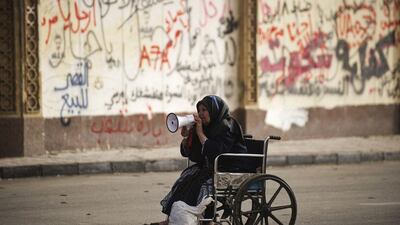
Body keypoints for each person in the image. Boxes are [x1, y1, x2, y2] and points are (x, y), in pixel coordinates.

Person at [154, 95, 248, 224]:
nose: (201, 114)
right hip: (214, 167)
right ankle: (172, 219)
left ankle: (203, 218)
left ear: (214, 110)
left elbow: (216, 151)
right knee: (186, 178)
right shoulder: (207, 127)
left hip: (231, 166)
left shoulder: (228, 126)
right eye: (199, 110)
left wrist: (200, 133)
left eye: (205, 110)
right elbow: (196, 155)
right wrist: (188, 137)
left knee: (203, 184)